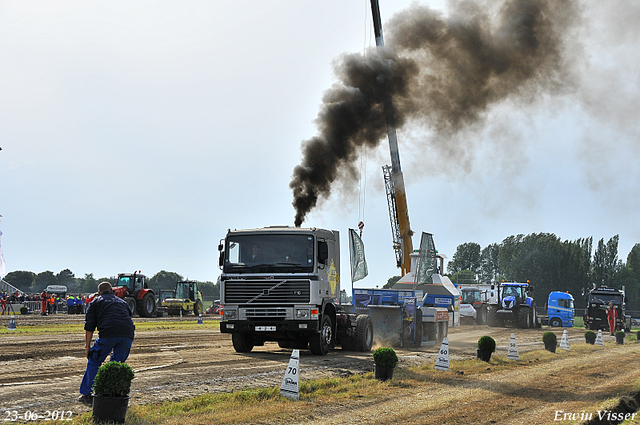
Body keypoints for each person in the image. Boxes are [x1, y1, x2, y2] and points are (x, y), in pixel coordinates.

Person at [77, 281, 135, 407]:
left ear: (99, 293)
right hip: (128, 334)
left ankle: (86, 394)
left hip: (108, 333)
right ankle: (113, 393)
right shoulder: (122, 302)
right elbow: (128, 318)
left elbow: (89, 326)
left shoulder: (96, 302)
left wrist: (87, 347)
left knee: (94, 361)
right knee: (116, 365)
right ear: (113, 291)